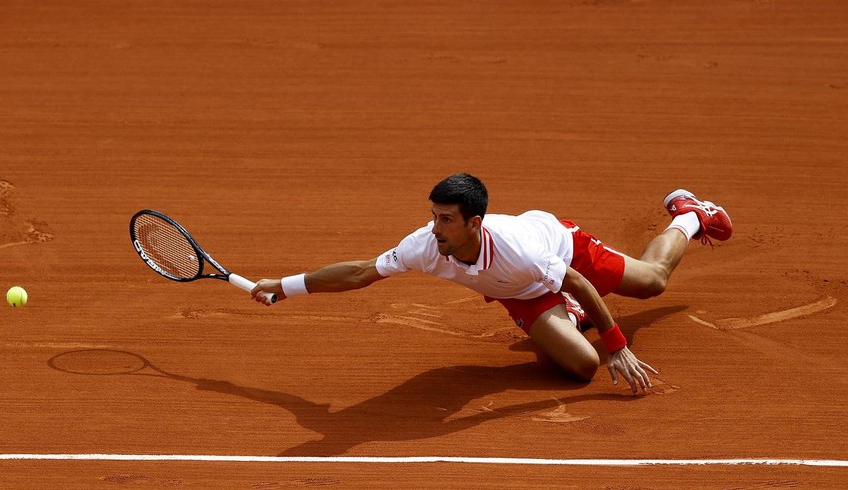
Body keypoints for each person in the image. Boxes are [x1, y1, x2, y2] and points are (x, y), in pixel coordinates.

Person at [251, 173, 732, 395]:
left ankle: (690, 216)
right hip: (518, 291)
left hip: (564, 253)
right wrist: (285, 285)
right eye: (433, 216)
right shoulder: (424, 244)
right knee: (581, 368)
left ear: (475, 223)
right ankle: (568, 322)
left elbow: (578, 280)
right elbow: (360, 272)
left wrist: (618, 344)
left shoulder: (519, 246)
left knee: (652, 282)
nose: (434, 228)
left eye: (445, 220)